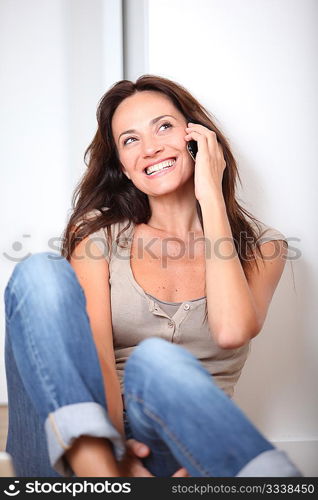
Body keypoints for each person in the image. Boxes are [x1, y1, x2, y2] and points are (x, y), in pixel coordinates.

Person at [4, 75, 300, 477]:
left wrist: (209, 192)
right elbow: (98, 362)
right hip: (86, 449)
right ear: (123, 168)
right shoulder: (97, 237)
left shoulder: (263, 246)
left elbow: (232, 331)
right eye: (130, 140)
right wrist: (119, 457)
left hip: (184, 450)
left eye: (163, 126)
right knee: (39, 271)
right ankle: (102, 477)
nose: (151, 147)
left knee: (159, 360)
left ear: (198, 137)